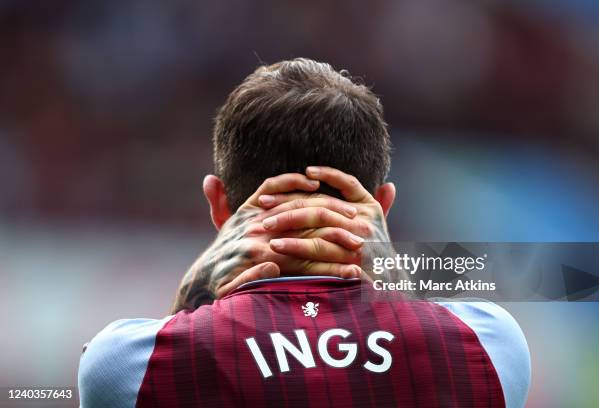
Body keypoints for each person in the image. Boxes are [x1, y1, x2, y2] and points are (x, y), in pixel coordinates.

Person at [78, 58, 531, 407]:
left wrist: (196, 289)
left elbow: (156, 364)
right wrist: (394, 281)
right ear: (382, 208)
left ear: (218, 204)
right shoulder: (488, 343)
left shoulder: (122, 364)